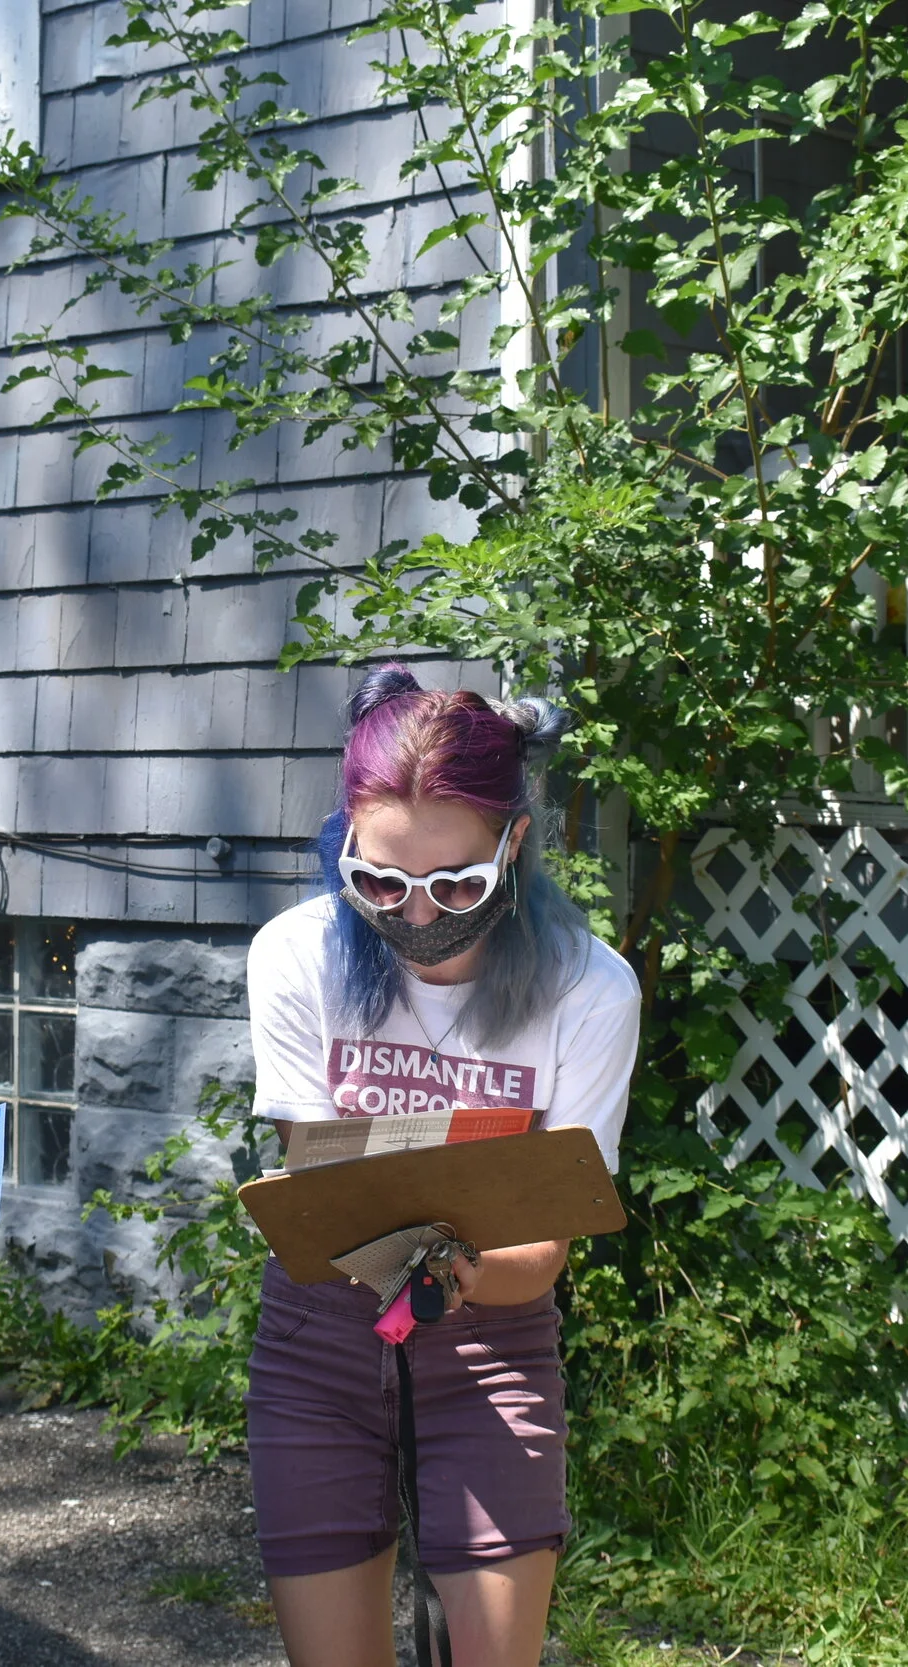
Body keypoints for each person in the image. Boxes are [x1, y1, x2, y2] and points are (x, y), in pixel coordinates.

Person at [243, 665, 641, 1667]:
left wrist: (459, 1270)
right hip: (321, 1334)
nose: (418, 917)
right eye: (379, 881)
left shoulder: (587, 989)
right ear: (343, 845)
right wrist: (437, 1223)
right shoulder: (294, 956)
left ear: (514, 841)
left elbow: (538, 1249)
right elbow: (318, 1202)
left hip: (493, 1332)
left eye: (455, 884)